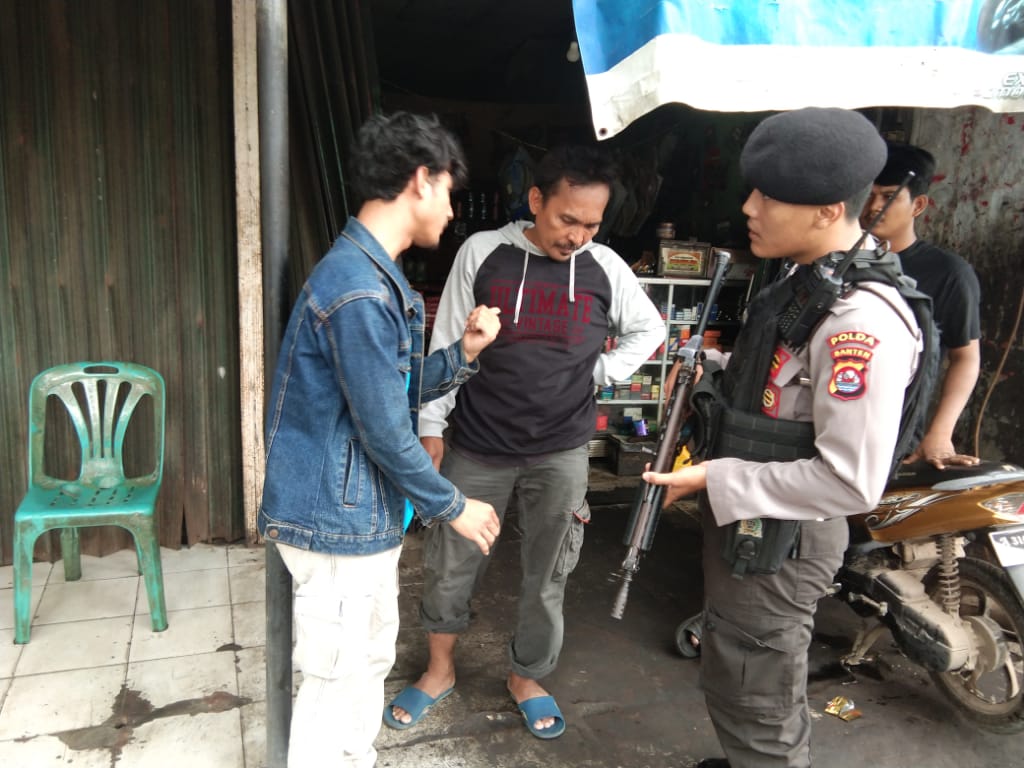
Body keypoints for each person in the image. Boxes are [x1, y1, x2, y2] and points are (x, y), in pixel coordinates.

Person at [642, 108, 933, 768]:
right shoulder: (808, 282)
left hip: (785, 539)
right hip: (757, 527)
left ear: (827, 210)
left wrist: (714, 477)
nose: (749, 207)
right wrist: (712, 370)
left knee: (758, 692)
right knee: (738, 665)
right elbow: (780, 387)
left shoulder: (859, 321)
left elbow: (850, 480)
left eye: (769, 196)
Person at [384, 144, 665, 738]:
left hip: (561, 450)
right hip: (478, 444)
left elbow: (649, 328)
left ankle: (526, 676)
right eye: (568, 219)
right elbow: (447, 339)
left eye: (592, 225)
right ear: (536, 200)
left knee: (549, 571)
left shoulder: (605, 266)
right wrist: (431, 426)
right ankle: (439, 670)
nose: (578, 236)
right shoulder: (484, 252)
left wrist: (601, 372)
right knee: (451, 562)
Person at [258, 111, 503, 768]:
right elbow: (387, 431)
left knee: (364, 661)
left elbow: (388, 391)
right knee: (337, 679)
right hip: (336, 521)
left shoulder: (371, 277)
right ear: (421, 180)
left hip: (356, 516)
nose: (451, 210)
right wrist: (453, 504)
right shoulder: (359, 289)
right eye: (448, 191)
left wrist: (463, 353)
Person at [861, 143, 982, 468]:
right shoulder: (835, 263)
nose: (874, 207)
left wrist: (940, 433)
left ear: (918, 205)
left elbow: (965, 357)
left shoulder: (949, 274)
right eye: (868, 195)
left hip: (895, 439)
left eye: (888, 197)